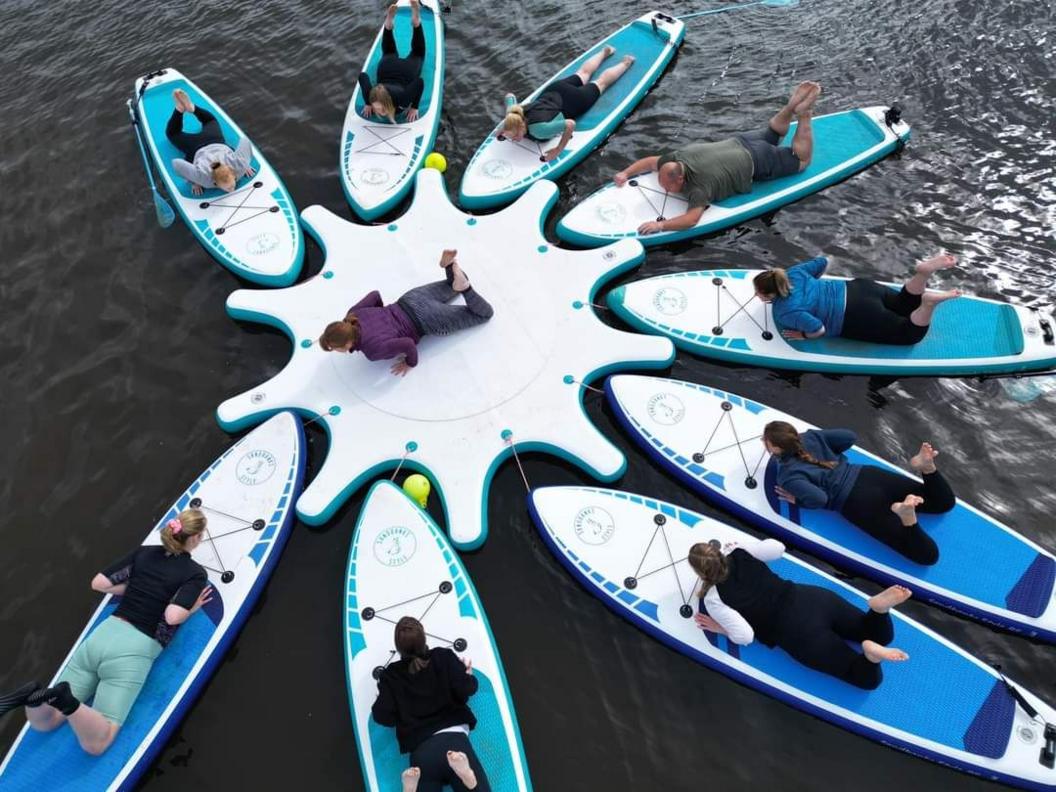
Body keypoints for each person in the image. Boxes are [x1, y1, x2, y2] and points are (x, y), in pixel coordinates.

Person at [0, 510, 211, 755]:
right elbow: (172, 616)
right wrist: (193, 607)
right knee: (97, 744)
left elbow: (99, 583)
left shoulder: (144, 553)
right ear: (195, 538)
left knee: (46, 723)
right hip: (133, 651)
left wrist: (135, 587)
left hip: (104, 634)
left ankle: (33, 697)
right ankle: (68, 703)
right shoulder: (194, 573)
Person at [689, 538, 911, 689]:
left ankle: (871, 657)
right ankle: (879, 610)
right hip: (812, 598)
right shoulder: (739, 551)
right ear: (718, 552)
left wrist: (720, 628)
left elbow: (745, 636)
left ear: (700, 572)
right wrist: (738, 545)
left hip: (798, 632)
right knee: (876, 631)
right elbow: (777, 549)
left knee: (865, 679)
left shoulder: (714, 598)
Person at [613, 81, 822, 235]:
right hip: (742, 141)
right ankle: (789, 106)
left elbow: (691, 219)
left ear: (680, 179)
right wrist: (625, 173)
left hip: (759, 160)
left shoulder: (698, 188)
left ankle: (804, 114)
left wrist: (660, 225)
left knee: (802, 161)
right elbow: (650, 161)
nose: (665, 190)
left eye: (668, 187)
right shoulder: (677, 157)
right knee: (773, 133)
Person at [764, 421, 957, 565]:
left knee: (928, 556)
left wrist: (796, 499)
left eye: (766, 441)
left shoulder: (788, 476)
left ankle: (908, 518)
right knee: (944, 503)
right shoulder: (811, 437)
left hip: (858, 502)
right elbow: (849, 436)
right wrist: (823, 444)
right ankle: (928, 468)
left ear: (776, 448)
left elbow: (819, 499)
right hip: (870, 475)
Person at [319, 249, 493, 377]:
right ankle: (449, 266)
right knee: (453, 283)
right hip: (410, 299)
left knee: (484, 314)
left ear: (347, 344)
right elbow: (375, 295)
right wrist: (382, 313)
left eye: (336, 348)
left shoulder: (372, 351)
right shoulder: (353, 314)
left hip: (426, 320)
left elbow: (408, 344)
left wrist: (410, 363)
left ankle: (466, 289)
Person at [372, 616, 491, 792]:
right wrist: (468, 676)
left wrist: (390, 702)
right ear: (424, 639)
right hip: (455, 744)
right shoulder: (443, 656)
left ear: (398, 648)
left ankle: (410, 789)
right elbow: (465, 689)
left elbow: (382, 716)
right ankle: (469, 780)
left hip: (422, 755)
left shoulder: (390, 676)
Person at [753, 253, 962, 344]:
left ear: (772, 295)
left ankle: (929, 303)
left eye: (759, 293)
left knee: (908, 334)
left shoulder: (785, 311)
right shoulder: (793, 273)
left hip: (854, 314)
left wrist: (803, 336)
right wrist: (814, 286)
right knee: (903, 303)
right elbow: (823, 261)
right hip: (860, 288)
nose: (756, 296)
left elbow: (818, 329)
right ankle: (923, 273)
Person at [500, 45, 636, 162]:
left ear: (521, 125)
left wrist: (558, 150)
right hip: (555, 89)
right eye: (512, 138)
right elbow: (510, 95)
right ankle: (606, 51)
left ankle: (626, 62)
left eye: (516, 136)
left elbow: (570, 124)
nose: (516, 140)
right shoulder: (513, 113)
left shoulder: (539, 130)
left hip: (573, 100)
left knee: (601, 83)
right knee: (583, 73)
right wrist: (505, 129)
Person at [166, 88, 255, 196]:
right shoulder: (204, 179)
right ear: (215, 183)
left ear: (233, 173)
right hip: (196, 147)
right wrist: (194, 180)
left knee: (210, 121)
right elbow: (176, 163)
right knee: (172, 134)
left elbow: (245, 140)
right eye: (229, 187)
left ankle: (185, 109)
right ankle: (185, 108)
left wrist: (244, 163)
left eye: (233, 183)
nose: (233, 188)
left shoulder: (238, 166)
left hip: (214, 139)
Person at [359, 0, 426, 124]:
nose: (380, 112)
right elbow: (362, 77)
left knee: (418, 54)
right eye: (377, 108)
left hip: (406, 71)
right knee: (389, 52)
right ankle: (389, 25)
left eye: (382, 109)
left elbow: (419, 83)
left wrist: (414, 107)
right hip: (387, 68)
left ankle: (415, 24)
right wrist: (368, 103)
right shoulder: (371, 95)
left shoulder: (403, 100)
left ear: (389, 103)